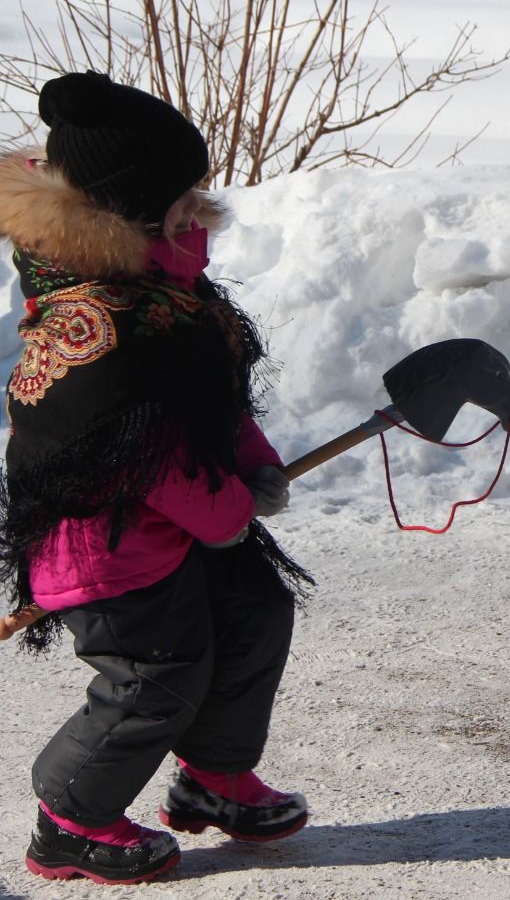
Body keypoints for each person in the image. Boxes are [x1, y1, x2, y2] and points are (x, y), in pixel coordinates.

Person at [0, 72, 314, 885]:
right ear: (129, 212)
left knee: (254, 614)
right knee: (156, 677)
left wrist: (254, 461)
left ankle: (215, 780)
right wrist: (226, 507)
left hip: (181, 522)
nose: (196, 215)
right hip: (106, 546)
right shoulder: (97, 326)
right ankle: (70, 817)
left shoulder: (165, 294)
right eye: (181, 204)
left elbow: (205, 398)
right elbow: (147, 451)